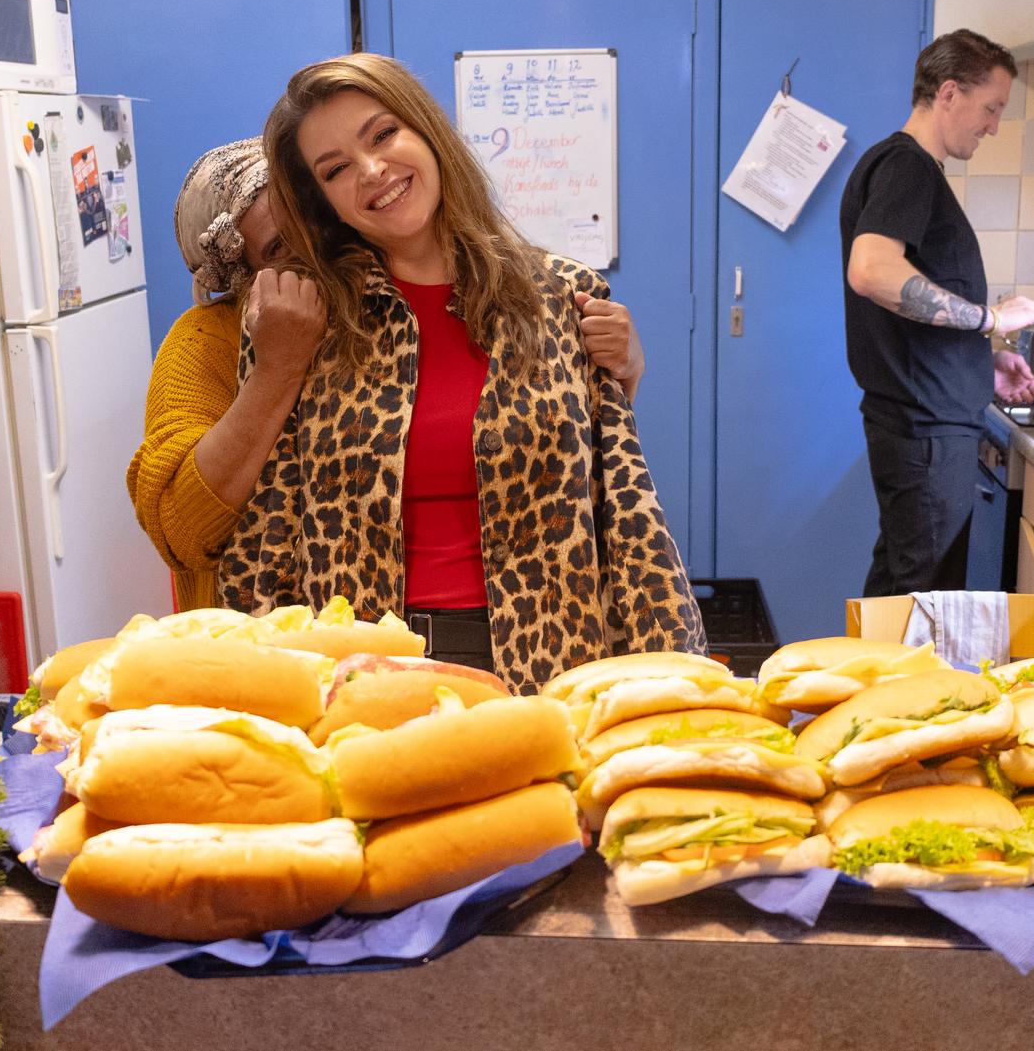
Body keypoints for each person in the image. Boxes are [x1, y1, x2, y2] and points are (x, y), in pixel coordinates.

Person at [214, 54, 701, 691]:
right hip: (369, 672)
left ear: (426, 130)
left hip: (553, 660)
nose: (372, 171)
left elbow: (623, 507)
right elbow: (268, 527)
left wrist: (672, 667)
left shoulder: (560, 296)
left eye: (383, 134)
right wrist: (254, 685)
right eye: (335, 170)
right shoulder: (304, 320)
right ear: (322, 201)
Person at [127, 137, 647, 612]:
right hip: (271, 648)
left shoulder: (388, 306)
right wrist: (275, 369)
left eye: (319, 224)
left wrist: (621, 371)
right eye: (282, 249)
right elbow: (181, 532)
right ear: (241, 279)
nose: (316, 252)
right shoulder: (207, 340)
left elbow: (541, 451)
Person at [839, 29, 1034, 597]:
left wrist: (985, 358)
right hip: (924, 432)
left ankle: (857, 688)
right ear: (950, 94)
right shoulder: (907, 168)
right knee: (924, 605)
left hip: (918, 427)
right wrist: (991, 319)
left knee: (898, 592)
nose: (993, 125)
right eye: (991, 108)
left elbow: (914, 311)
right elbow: (871, 270)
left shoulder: (899, 167)